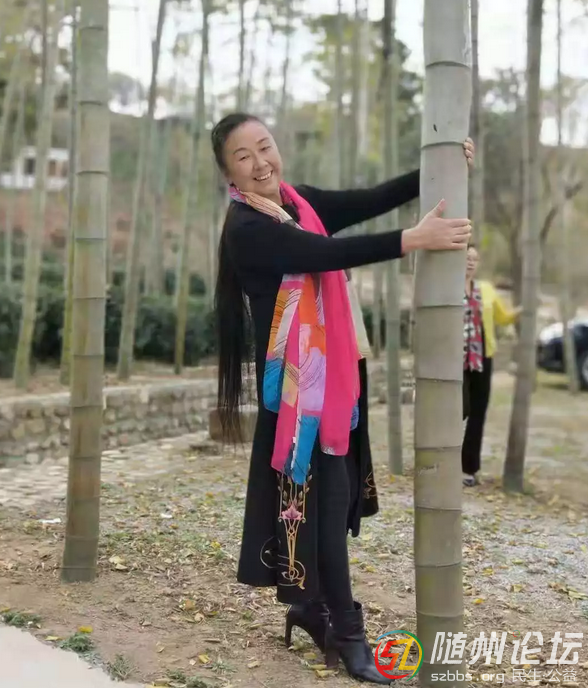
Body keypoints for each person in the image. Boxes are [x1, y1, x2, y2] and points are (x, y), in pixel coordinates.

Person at [211, 111, 474, 684]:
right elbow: (325, 255)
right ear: (229, 173)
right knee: (326, 509)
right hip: (298, 398)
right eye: (243, 156)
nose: (260, 163)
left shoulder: (298, 203)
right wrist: (412, 240)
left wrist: (440, 166)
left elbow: (370, 199)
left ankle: (310, 609)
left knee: (326, 503)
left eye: (264, 147)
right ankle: (348, 635)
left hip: (331, 382)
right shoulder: (248, 228)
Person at [462, 244, 521, 487]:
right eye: (467, 258)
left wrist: (522, 310)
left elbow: (502, 317)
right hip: (455, 358)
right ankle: (445, 460)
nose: (470, 262)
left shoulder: (486, 289)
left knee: (478, 413)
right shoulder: (448, 286)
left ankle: (468, 469)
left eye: (474, 259)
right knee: (459, 409)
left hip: (482, 357)